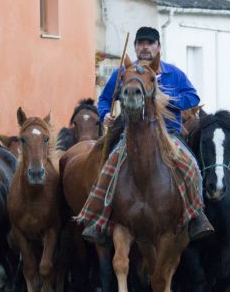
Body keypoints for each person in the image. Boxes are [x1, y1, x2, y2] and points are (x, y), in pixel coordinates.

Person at [82, 26, 213, 244]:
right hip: (129, 134)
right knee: (107, 168)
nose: (145, 47)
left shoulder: (174, 73)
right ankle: (100, 218)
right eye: (141, 42)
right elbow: (105, 99)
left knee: (192, 166)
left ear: (158, 47)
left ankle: (196, 214)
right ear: (135, 47)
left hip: (169, 133)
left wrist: (170, 101)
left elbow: (193, 97)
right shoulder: (123, 73)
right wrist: (105, 115)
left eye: (150, 43)